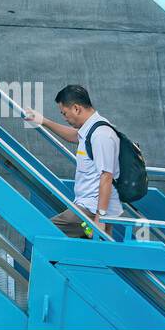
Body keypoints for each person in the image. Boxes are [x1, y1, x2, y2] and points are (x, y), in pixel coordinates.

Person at [25, 84, 122, 239]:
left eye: (64, 113)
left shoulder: (101, 135)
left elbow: (107, 176)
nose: (65, 118)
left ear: (76, 108)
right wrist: (43, 121)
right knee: (95, 255)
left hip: (90, 210)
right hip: (88, 207)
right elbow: (74, 136)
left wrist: (100, 218)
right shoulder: (91, 129)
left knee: (43, 234)